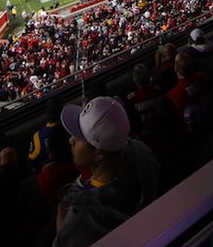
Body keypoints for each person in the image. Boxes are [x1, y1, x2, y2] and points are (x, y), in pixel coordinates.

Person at [54, 96, 160, 246]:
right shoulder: (141, 152)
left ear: (98, 154)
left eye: (79, 137)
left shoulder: (82, 215)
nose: (71, 140)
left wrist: (63, 220)